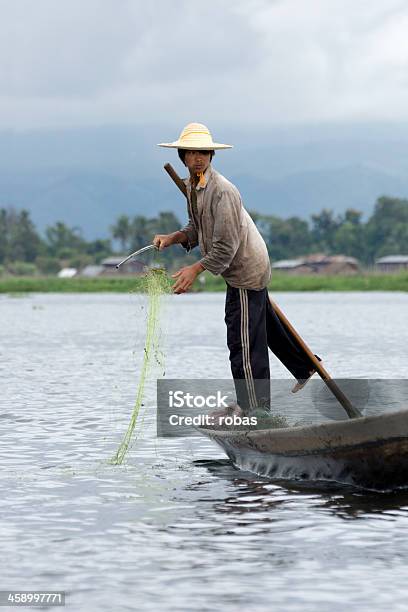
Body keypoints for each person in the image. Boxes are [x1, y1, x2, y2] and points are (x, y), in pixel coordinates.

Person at [154, 122, 318, 414]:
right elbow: (197, 227)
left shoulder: (223, 191)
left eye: (203, 152)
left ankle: (253, 409)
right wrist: (174, 238)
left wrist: (194, 271)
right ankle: (304, 365)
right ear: (183, 156)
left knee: (242, 341)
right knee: (262, 325)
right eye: (191, 153)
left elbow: (225, 248)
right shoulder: (195, 185)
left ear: (211, 155)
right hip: (240, 266)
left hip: (244, 269)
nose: (197, 158)